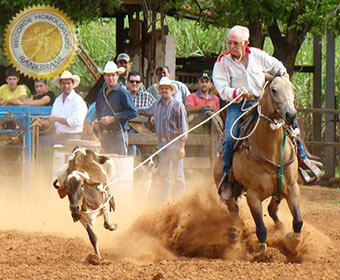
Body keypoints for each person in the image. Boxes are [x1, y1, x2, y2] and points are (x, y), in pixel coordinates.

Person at [212, 25, 321, 200]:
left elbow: (277, 66)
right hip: (237, 106)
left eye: (236, 43)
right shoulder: (223, 62)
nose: (232, 46)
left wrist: (281, 77)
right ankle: (227, 177)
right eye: (230, 43)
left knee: (290, 123)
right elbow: (221, 86)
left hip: (260, 102)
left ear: (245, 43)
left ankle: (302, 159)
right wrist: (235, 92)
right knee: (230, 137)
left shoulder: (257, 55)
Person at [139, 76, 188, 202]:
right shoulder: (156, 105)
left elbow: (183, 128)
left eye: (166, 88)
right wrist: (133, 109)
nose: (164, 91)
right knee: (164, 175)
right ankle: (165, 201)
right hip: (162, 143)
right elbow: (146, 111)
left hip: (175, 142)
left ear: (171, 90)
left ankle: (181, 201)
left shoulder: (178, 106)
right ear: (159, 90)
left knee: (178, 175)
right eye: (162, 89)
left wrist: (182, 147)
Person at [93, 61, 137, 155]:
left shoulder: (122, 92)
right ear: (104, 77)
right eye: (108, 75)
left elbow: (133, 112)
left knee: (120, 163)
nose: (111, 78)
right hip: (104, 135)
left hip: (118, 134)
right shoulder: (102, 92)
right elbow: (98, 110)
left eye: (113, 75)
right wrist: (98, 121)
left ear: (117, 76)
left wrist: (114, 119)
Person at [34, 70, 88, 146]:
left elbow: (76, 122)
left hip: (73, 137)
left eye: (68, 83)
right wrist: (41, 122)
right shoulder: (57, 100)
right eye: (64, 83)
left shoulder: (78, 100)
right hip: (58, 136)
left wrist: (57, 119)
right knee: (39, 142)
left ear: (72, 84)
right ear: (60, 85)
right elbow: (52, 121)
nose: (66, 86)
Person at [126, 71, 156, 155]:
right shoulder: (122, 95)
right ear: (127, 82)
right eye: (132, 81)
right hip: (123, 130)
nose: (134, 83)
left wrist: (154, 115)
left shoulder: (147, 96)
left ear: (141, 83)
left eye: (137, 82)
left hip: (143, 131)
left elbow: (158, 108)